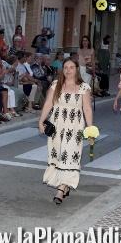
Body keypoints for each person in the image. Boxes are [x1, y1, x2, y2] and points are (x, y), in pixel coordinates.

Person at [38, 58, 93, 205]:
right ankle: (65, 185)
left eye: (71, 67)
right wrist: (41, 121)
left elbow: (87, 109)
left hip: (74, 127)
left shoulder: (84, 87)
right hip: (57, 125)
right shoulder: (56, 84)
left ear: (77, 69)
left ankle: (61, 189)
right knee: (58, 155)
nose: (68, 70)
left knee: (69, 156)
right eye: (66, 67)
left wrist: (90, 128)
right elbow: (48, 103)